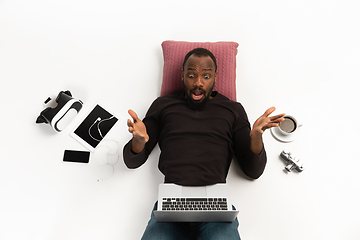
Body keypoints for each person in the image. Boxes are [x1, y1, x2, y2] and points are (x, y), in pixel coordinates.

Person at [123, 48, 285, 240]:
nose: (198, 82)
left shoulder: (233, 109)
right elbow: (131, 161)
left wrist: (257, 138)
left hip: (215, 209)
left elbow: (253, 171)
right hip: (171, 206)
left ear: (215, 77)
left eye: (206, 76)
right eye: (191, 75)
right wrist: (139, 140)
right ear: (183, 75)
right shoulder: (163, 105)